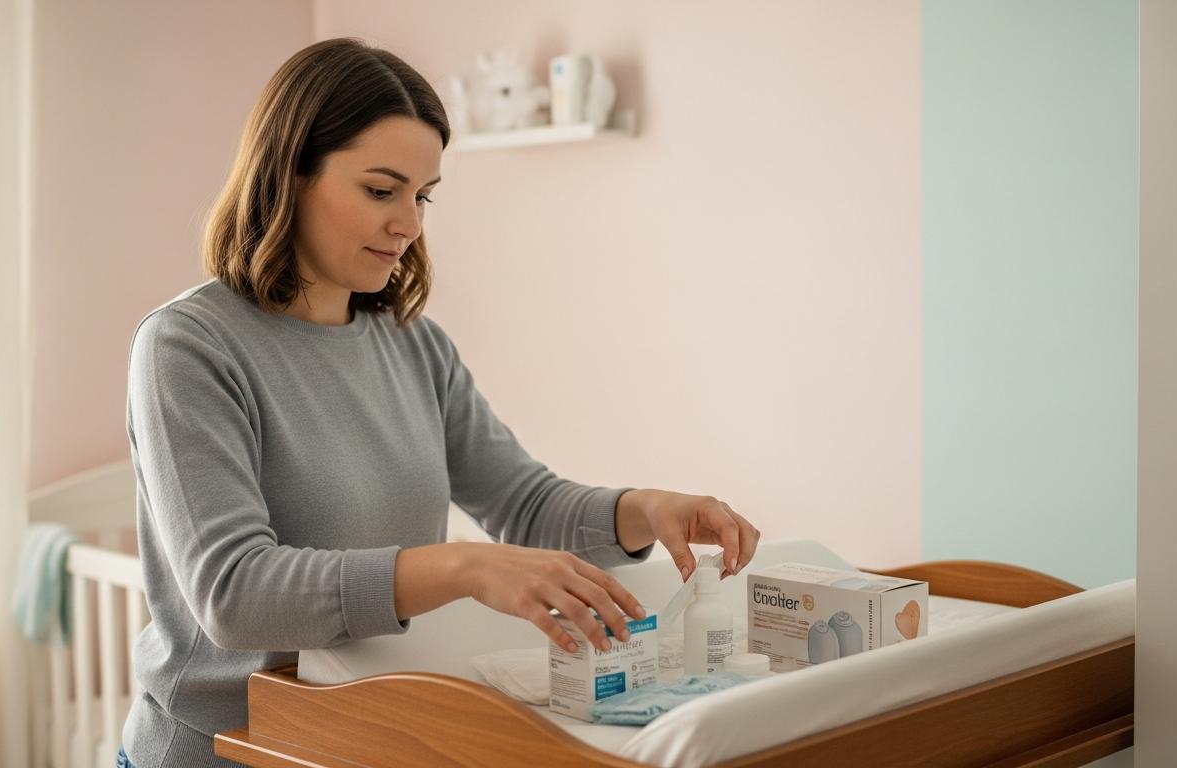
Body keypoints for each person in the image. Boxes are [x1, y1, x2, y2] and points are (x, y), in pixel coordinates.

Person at [119, 37, 761, 768]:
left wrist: (647, 509)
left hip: (364, 738)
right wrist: (465, 568)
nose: (411, 225)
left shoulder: (412, 346)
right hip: (225, 750)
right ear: (290, 173)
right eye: (381, 190)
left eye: (422, 197)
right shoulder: (188, 347)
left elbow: (525, 503)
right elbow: (234, 593)